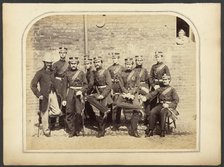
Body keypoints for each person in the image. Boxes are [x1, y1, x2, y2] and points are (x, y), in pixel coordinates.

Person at [30, 52, 61, 137]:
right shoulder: (39, 73)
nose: (49, 65)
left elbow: (58, 78)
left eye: (50, 63)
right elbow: (33, 85)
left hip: (53, 93)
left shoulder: (53, 72)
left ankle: (44, 115)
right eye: (47, 63)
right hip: (44, 95)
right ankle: (46, 130)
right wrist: (38, 94)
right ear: (44, 63)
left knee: (57, 111)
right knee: (44, 111)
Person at [115, 57, 143, 137]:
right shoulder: (121, 74)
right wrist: (126, 93)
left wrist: (131, 93)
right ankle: (117, 123)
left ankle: (134, 130)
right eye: (127, 64)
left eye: (130, 64)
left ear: (132, 65)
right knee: (118, 103)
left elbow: (137, 85)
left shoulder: (136, 73)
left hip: (133, 94)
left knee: (136, 109)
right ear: (125, 65)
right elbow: (121, 85)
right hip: (124, 93)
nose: (128, 66)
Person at [61, 56, 88, 137]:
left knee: (79, 113)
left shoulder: (81, 73)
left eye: (75, 63)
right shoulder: (67, 73)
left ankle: (78, 129)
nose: (73, 65)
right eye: (72, 63)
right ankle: (72, 130)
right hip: (70, 93)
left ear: (77, 64)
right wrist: (64, 99)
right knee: (69, 112)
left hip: (78, 94)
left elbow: (86, 85)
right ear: (70, 64)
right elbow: (64, 87)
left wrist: (81, 91)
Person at [86, 56, 112, 138]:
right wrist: (87, 92)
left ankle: (101, 130)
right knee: (89, 98)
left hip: (105, 93)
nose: (97, 64)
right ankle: (105, 112)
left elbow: (109, 85)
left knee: (101, 113)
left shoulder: (106, 72)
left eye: (98, 62)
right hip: (97, 92)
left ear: (101, 62)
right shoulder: (94, 73)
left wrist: (103, 95)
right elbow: (91, 84)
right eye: (95, 62)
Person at [52, 47, 69, 129]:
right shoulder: (55, 64)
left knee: (64, 100)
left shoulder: (68, 64)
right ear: (59, 54)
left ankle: (63, 122)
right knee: (57, 101)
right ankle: (53, 122)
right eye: (61, 53)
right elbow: (52, 76)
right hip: (58, 84)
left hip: (65, 84)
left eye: (64, 53)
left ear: (66, 54)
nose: (63, 54)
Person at [107, 52, 125, 131]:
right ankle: (110, 120)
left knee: (118, 105)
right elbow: (108, 80)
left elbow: (124, 79)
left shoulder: (122, 68)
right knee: (111, 105)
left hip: (119, 87)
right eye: (113, 58)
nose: (115, 60)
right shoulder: (109, 68)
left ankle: (117, 121)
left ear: (118, 59)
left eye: (116, 58)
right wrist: (110, 89)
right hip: (113, 87)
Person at [134, 55, 150, 124]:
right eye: (138, 60)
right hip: (136, 87)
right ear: (135, 61)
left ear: (142, 61)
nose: (139, 62)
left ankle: (147, 118)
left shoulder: (145, 70)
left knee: (147, 99)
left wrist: (146, 88)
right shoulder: (133, 70)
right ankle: (135, 119)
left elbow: (147, 80)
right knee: (135, 100)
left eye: (140, 60)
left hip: (143, 86)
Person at [83, 56, 96, 125]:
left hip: (92, 90)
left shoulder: (91, 72)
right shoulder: (87, 72)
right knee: (86, 104)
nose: (86, 65)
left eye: (88, 64)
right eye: (85, 64)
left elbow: (91, 83)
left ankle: (92, 118)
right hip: (89, 89)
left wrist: (87, 91)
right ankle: (91, 117)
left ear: (90, 64)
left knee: (86, 103)